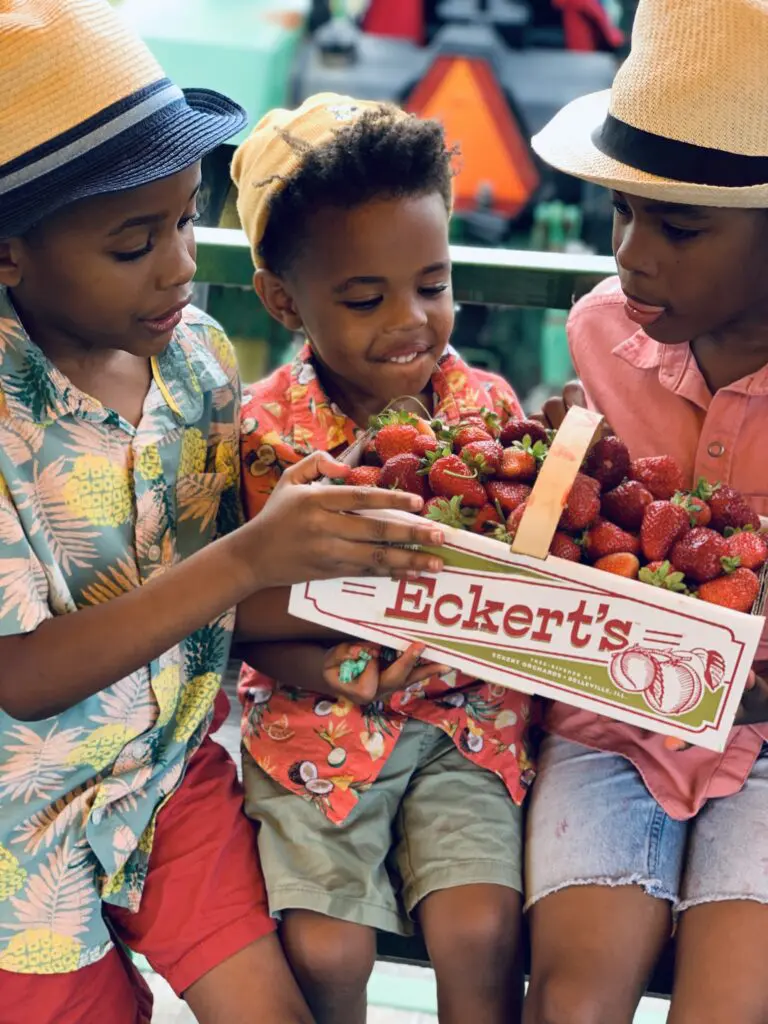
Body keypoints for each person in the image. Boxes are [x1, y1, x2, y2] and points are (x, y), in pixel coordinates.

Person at [0, 7, 447, 1024]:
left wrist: (349, 653)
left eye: (186, 219)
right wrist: (252, 558)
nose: (178, 264)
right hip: (15, 839)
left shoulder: (197, 359)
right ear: (9, 255)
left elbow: (209, 602)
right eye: (132, 244)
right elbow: (21, 676)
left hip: (168, 778)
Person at [230, 94, 537, 1024]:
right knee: (325, 947)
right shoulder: (262, 436)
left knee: (481, 931)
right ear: (285, 299)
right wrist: (328, 669)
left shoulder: (486, 408)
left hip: (462, 719)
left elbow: (519, 570)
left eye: (434, 284)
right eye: (365, 298)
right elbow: (239, 617)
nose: (410, 320)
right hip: (311, 726)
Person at [522, 1, 768, 1021]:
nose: (632, 253)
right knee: (571, 1002)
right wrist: (553, 479)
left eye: (679, 225)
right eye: (622, 211)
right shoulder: (597, 333)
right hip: (612, 718)